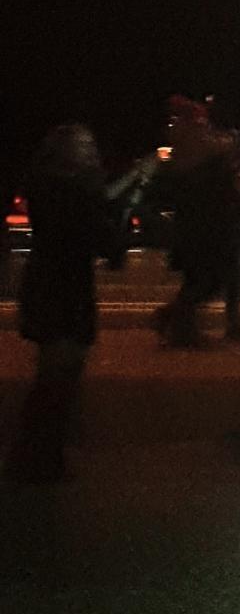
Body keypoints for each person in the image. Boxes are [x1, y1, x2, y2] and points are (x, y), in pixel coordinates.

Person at [13, 126, 155, 483]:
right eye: (88, 153)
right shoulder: (72, 195)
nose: (94, 158)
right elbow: (103, 237)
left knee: (52, 378)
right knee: (57, 382)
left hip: (47, 286)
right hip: (64, 292)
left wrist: (128, 186)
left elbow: (99, 208)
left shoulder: (49, 188)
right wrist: (130, 210)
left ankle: (36, 459)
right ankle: (38, 463)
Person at [154, 96, 240, 346]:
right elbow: (220, 151)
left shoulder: (190, 138)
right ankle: (176, 323)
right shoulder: (194, 138)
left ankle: (180, 326)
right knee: (210, 277)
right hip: (206, 219)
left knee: (205, 277)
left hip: (203, 217)